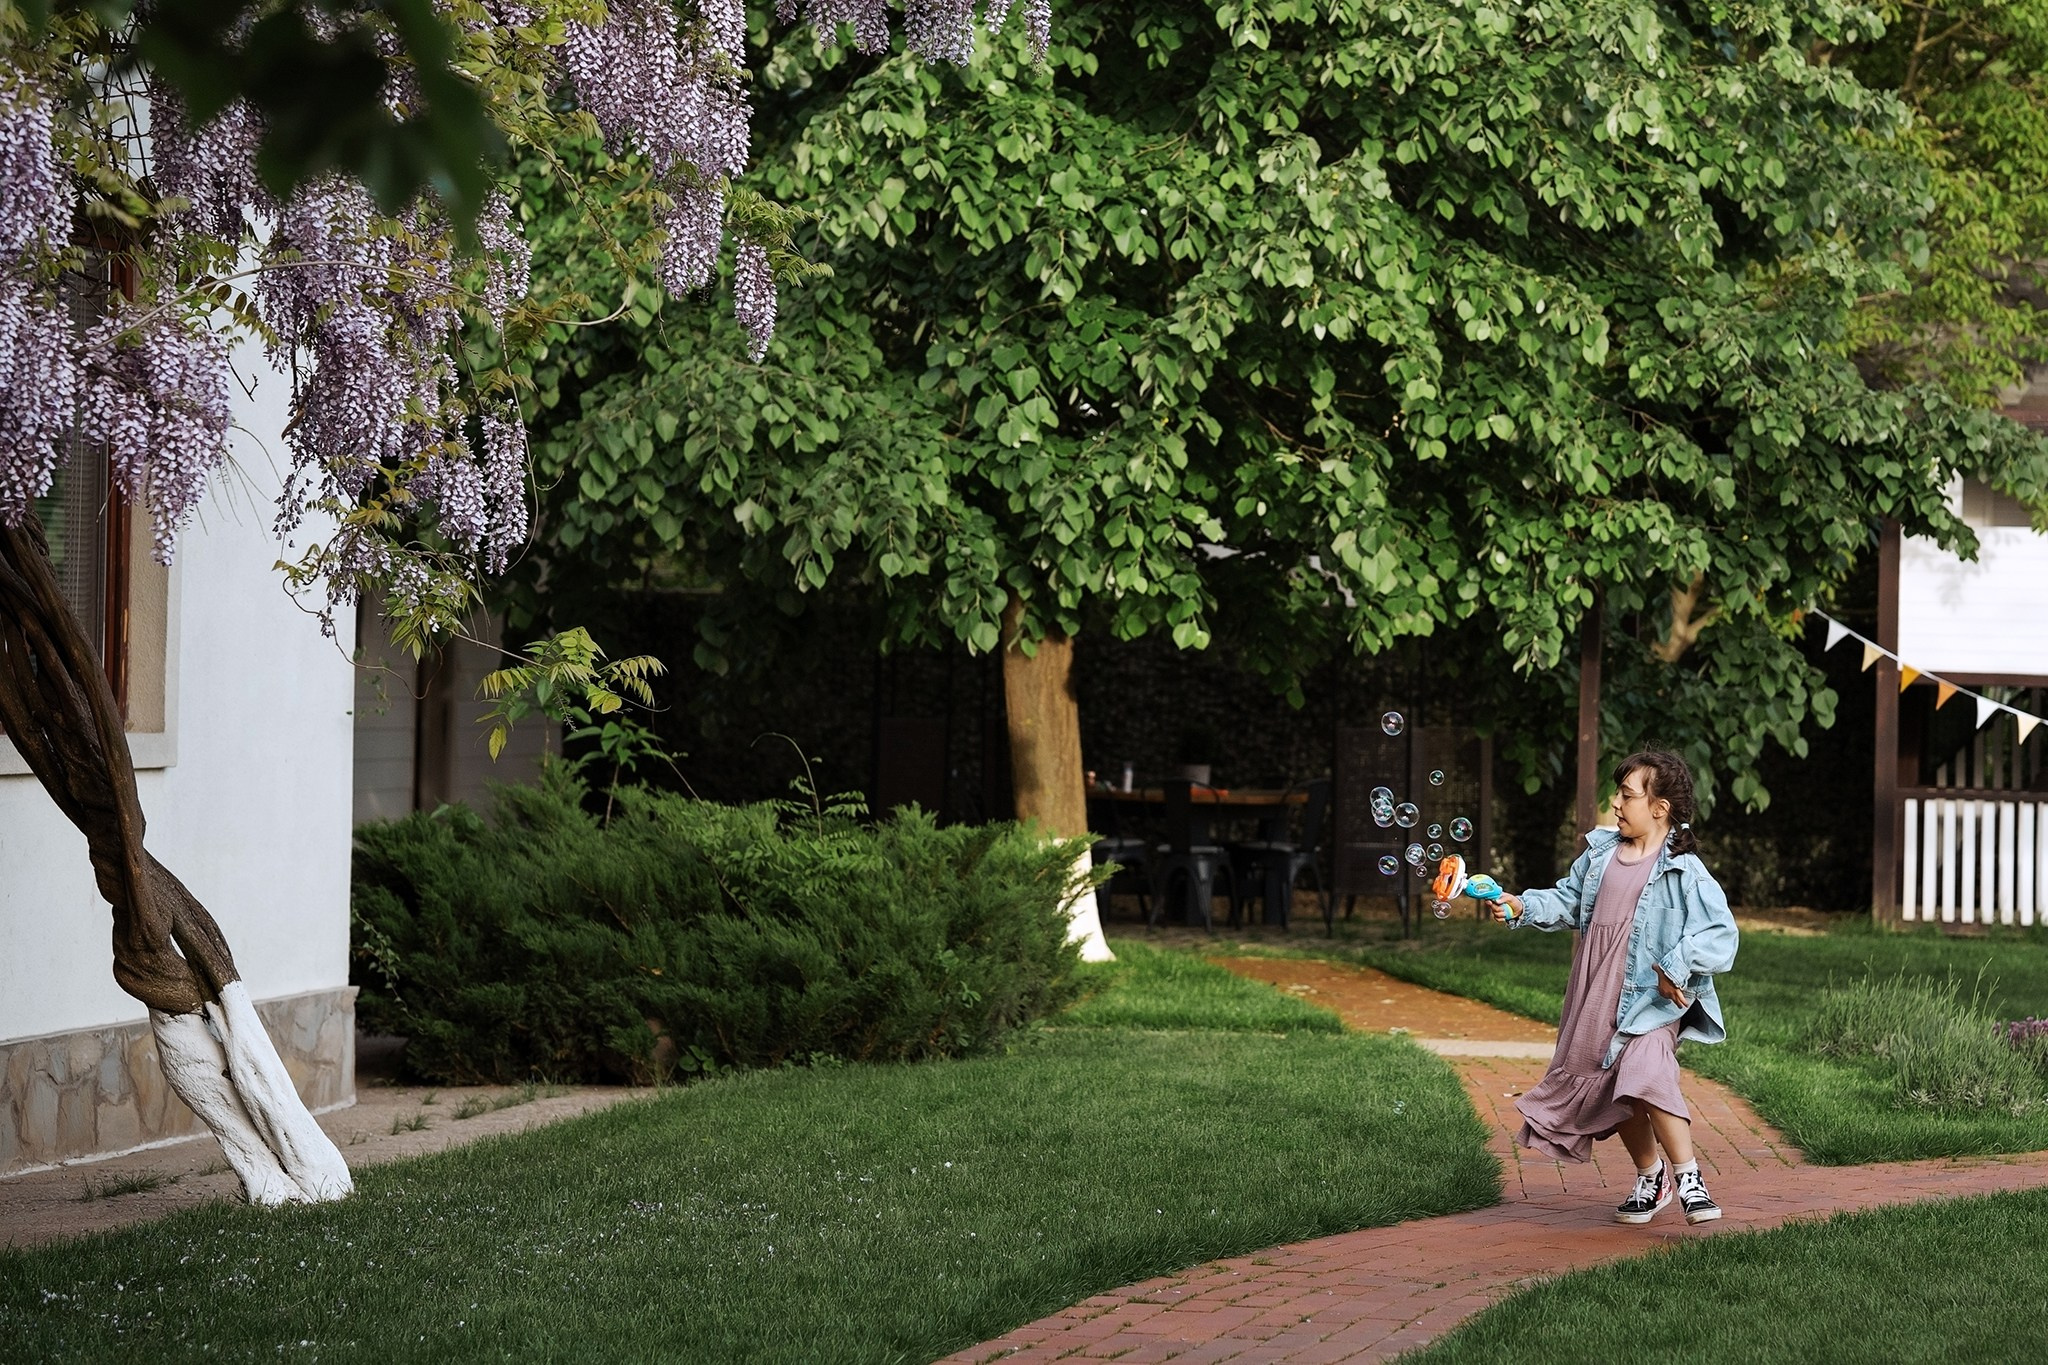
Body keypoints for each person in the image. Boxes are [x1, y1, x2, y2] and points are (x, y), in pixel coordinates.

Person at [1491, 750, 1738, 1225]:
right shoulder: (1601, 854)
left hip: (1650, 998)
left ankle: (1689, 1178)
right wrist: (1522, 906)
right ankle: (1652, 1176)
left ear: (1660, 808)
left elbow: (1720, 934)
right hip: (1596, 990)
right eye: (1618, 794)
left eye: (1627, 795)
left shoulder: (1685, 870)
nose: (1617, 804)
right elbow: (1567, 900)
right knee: (1610, 1083)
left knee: (1646, 1068)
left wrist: (1675, 966)